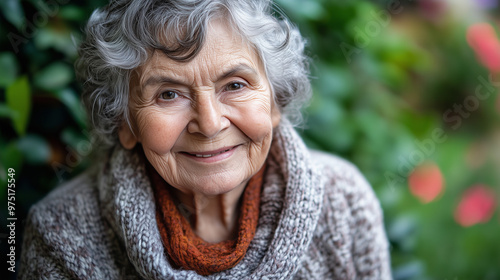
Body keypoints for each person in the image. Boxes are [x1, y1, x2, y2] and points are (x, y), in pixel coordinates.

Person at [19, 0, 391, 279]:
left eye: (235, 85)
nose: (210, 124)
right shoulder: (63, 234)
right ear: (125, 123)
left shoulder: (343, 199)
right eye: (168, 94)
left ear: (275, 102)